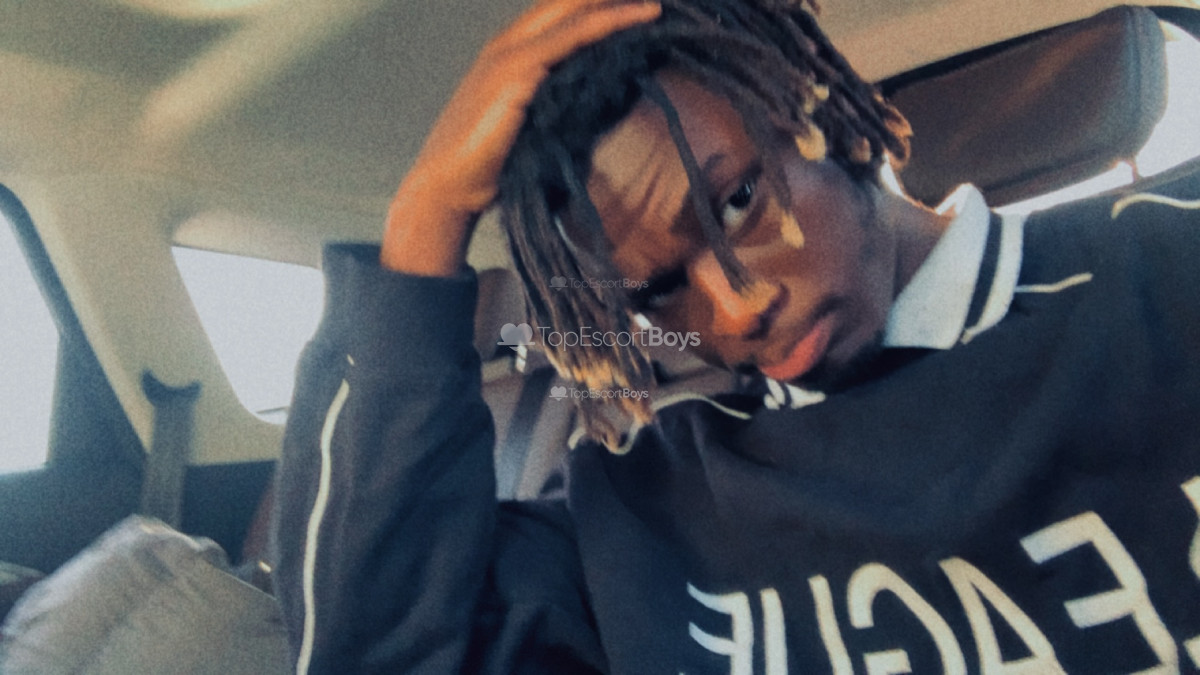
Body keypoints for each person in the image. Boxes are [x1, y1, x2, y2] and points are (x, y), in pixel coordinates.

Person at [272, 0, 1200, 672]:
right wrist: (424, 219)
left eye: (737, 201)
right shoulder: (637, 506)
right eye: (660, 289)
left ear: (814, 106)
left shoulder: (1164, 268)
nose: (734, 308)